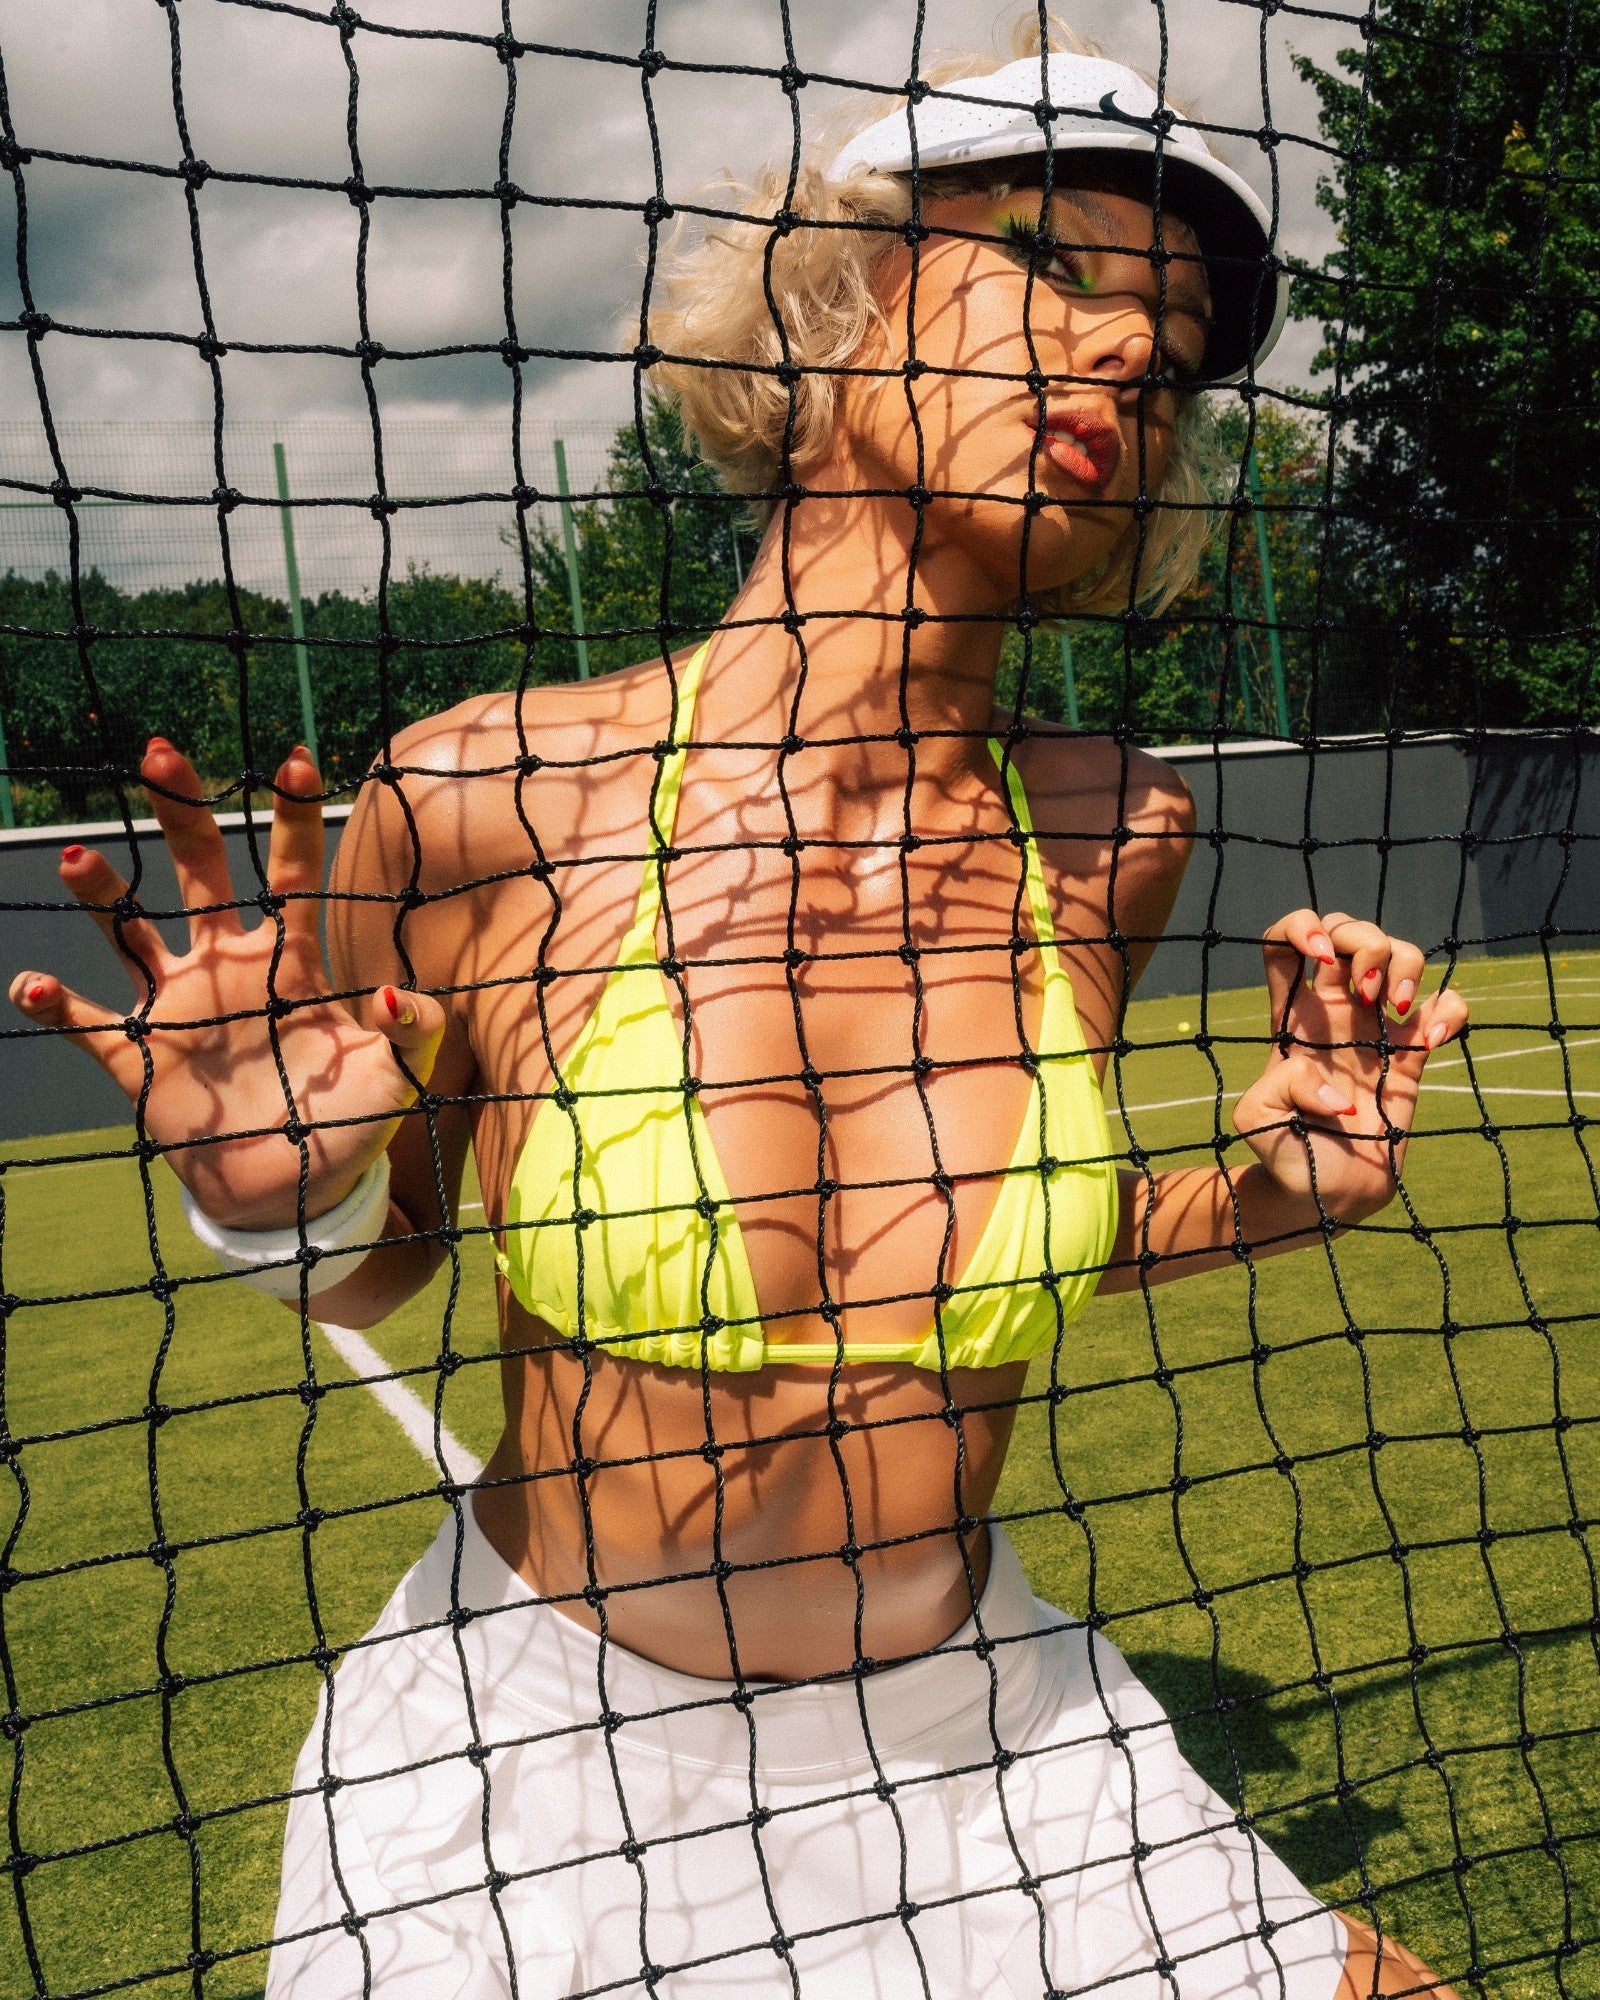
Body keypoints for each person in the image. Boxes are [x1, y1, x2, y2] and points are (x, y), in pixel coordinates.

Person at [10, 21, 1466, 2000]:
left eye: (1178, 339)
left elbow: (950, 1252)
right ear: (836, 303)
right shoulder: (485, 795)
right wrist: (281, 1199)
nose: (1134, 354)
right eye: (1055, 266)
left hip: (991, 1750)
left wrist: (1260, 1192)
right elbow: (387, 1264)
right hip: (541, 1781)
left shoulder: (1109, 831)